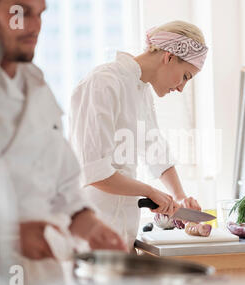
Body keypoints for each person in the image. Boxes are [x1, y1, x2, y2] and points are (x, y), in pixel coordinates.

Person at [0, 0, 127, 264]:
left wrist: (90, 226)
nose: (35, 27)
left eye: (40, 14)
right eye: (21, 12)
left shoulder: (38, 85)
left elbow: (63, 188)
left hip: (44, 278)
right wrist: (9, 235)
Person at [69, 20, 209, 249]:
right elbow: (95, 172)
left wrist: (180, 197)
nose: (182, 87)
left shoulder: (141, 91)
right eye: (185, 76)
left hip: (121, 237)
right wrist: (149, 191)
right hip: (87, 239)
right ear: (169, 56)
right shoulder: (103, 83)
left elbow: (156, 151)